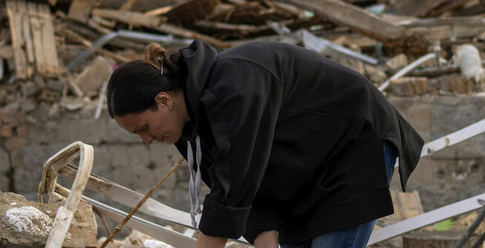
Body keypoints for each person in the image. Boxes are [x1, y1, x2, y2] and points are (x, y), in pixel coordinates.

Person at [107, 39, 424, 248]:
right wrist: (264, 236)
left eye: (143, 128)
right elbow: (244, 187)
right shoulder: (190, 124)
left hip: (354, 144)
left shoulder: (233, 88)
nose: (147, 140)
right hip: (306, 167)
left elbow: (232, 193)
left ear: (164, 101)